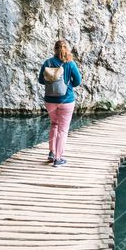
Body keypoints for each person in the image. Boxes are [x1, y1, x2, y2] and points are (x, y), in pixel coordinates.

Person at [38, 39, 82, 167]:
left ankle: (51, 153)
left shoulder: (48, 62)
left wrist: (52, 84)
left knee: (54, 124)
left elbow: (41, 80)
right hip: (66, 100)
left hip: (50, 100)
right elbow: (78, 81)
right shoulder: (70, 63)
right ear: (66, 49)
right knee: (62, 130)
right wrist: (67, 86)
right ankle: (58, 159)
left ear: (54, 49)